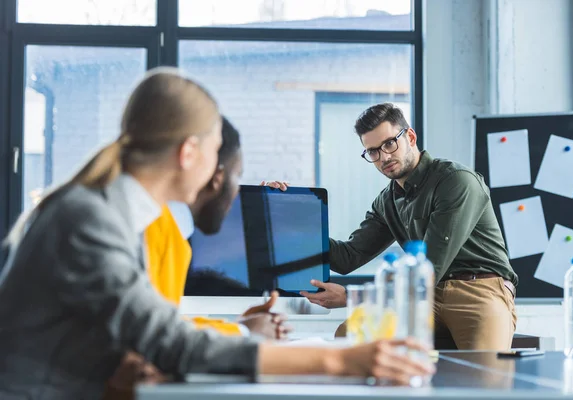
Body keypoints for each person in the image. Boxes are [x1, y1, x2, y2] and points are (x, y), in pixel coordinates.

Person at [0, 71, 433, 399]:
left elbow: (139, 336)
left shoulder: (109, 215)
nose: (219, 173)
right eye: (213, 154)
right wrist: (340, 360)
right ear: (189, 153)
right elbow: (170, 342)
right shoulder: (89, 220)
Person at [272, 103, 518, 351]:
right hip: (423, 299)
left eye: (389, 143)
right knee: (349, 334)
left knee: (486, 374)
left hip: (478, 290)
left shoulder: (456, 181)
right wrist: (290, 216)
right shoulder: (387, 201)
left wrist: (351, 298)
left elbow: (428, 270)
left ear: (410, 137)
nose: (384, 157)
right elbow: (348, 257)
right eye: (373, 151)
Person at [145, 116, 287, 340]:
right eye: (237, 176)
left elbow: (163, 322)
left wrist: (241, 327)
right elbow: (152, 337)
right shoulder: (149, 228)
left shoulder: (170, 229)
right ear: (218, 177)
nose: (236, 193)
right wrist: (244, 331)